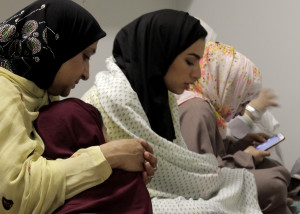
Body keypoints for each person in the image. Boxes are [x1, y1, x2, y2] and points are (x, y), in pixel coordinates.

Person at [82, 9, 263, 213]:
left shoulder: (163, 95)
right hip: (111, 197)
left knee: (240, 181)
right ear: (161, 53)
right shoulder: (118, 95)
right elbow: (159, 172)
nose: (197, 74)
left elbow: (175, 157)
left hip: (140, 190)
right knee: (214, 207)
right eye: (190, 61)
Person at [0, 0, 155, 213]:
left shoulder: (39, 94)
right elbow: (12, 198)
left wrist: (121, 173)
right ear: (56, 47)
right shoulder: (4, 93)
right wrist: (109, 157)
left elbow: (60, 175)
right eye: (84, 56)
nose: (86, 74)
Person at [177, 41, 291, 214]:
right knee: (274, 181)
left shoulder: (206, 106)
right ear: (226, 89)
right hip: (206, 189)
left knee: (273, 167)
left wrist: (241, 144)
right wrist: (246, 157)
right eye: (241, 102)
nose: (242, 111)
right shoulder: (197, 109)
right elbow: (200, 176)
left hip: (215, 178)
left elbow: (214, 152)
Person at [35, 98, 153, 213]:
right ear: (93, 132)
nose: (109, 143)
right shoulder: (129, 184)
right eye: (105, 132)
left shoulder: (36, 200)